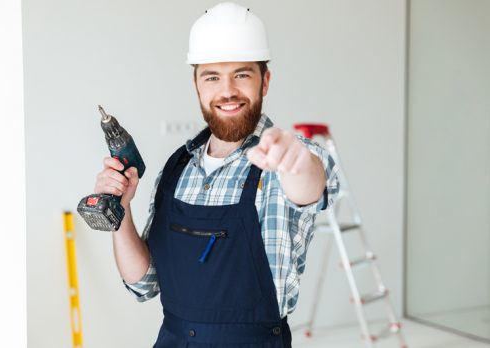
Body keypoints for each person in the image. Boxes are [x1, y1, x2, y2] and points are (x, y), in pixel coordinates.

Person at [94, 2, 339, 347]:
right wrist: (121, 212)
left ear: (264, 81)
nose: (227, 91)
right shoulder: (176, 168)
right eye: (212, 76)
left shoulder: (287, 157)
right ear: (197, 85)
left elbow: (311, 184)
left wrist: (295, 163)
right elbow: (144, 283)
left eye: (241, 74)